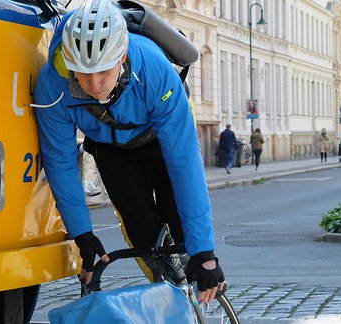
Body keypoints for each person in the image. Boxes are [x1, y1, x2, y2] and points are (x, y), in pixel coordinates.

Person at [33, 0, 224, 304]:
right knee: (142, 235)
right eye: (82, 74)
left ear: (121, 57)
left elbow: (184, 163)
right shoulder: (51, 85)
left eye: (103, 72)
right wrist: (83, 235)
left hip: (161, 138)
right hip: (113, 148)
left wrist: (205, 251)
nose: (94, 85)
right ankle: (169, 298)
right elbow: (61, 163)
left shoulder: (153, 69)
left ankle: (198, 281)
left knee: (184, 229)